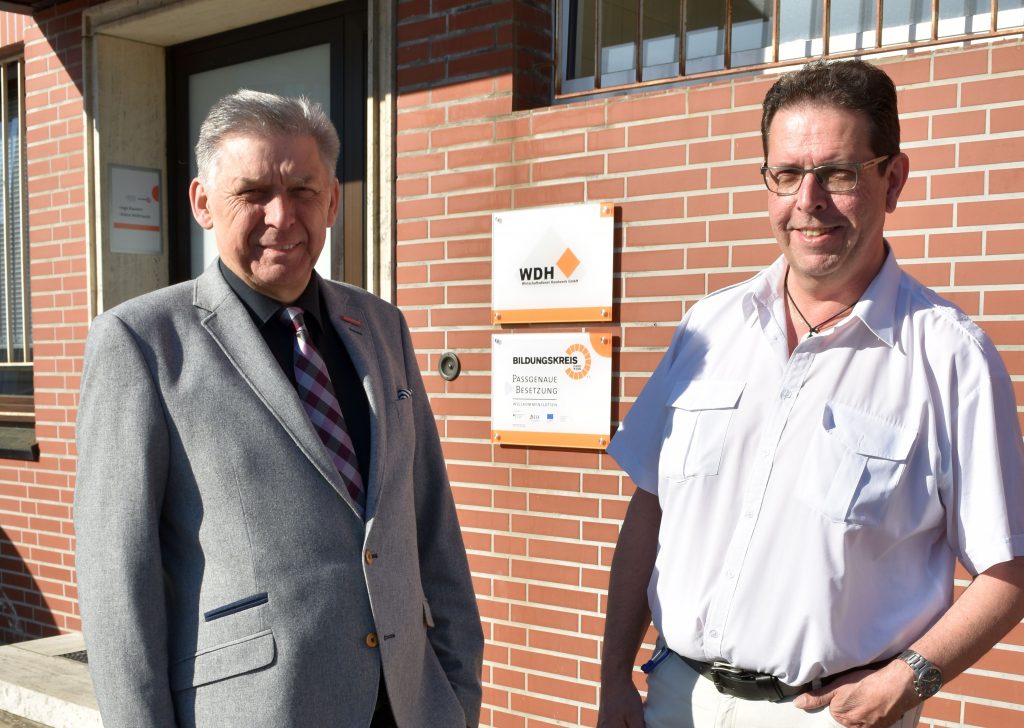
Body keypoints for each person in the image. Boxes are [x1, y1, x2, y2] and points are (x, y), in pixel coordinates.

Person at [598, 59, 1024, 728]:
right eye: (787, 174)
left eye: (840, 173)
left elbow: (1007, 570)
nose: (809, 201)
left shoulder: (950, 359)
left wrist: (905, 682)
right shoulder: (709, 328)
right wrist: (612, 675)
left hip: (827, 715)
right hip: (675, 698)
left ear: (894, 178)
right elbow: (650, 507)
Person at [74, 90, 483, 728]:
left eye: (302, 191)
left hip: (410, 705)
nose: (281, 216)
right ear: (203, 203)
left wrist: (457, 696)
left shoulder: (380, 328)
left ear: (334, 201)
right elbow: (117, 587)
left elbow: (430, 523)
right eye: (254, 192)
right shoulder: (142, 343)